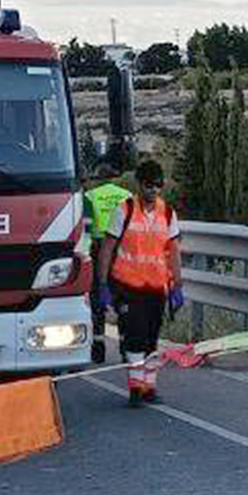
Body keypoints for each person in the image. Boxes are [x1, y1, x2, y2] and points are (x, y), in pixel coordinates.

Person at [103, 159, 183, 404]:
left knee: (151, 338)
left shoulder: (167, 213)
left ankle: (149, 387)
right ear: (140, 184)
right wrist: (103, 286)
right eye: (149, 186)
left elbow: (174, 251)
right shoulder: (124, 210)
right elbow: (108, 248)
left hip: (156, 287)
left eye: (158, 186)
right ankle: (136, 387)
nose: (154, 191)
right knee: (134, 336)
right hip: (128, 286)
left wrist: (177, 287)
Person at [83, 155, 136, 362]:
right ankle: (125, 344)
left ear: (97, 178)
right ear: (114, 179)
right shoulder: (126, 195)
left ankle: (98, 346)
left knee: (98, 298)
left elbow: (86, 228)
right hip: (122, 250)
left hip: (99, 249)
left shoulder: (90, 196)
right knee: (123, 299)